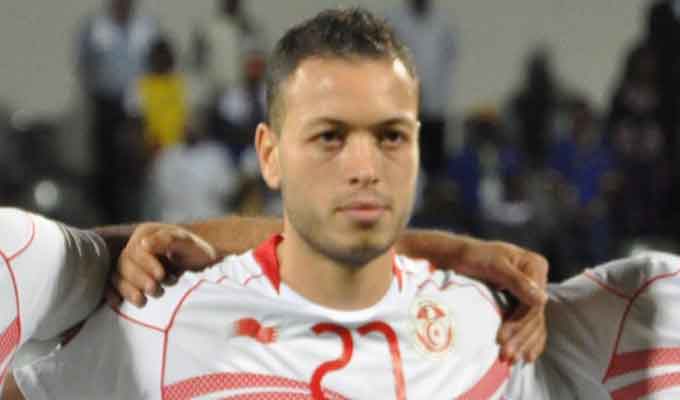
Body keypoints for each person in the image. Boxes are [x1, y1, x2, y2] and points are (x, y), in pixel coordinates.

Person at [3, 9, 547, 399]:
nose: (365, 167)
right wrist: (119, 254)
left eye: (391, 136)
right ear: (269, 154)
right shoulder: (165, 324)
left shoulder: (487, 324)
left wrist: (458, 257)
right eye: (329, 136)